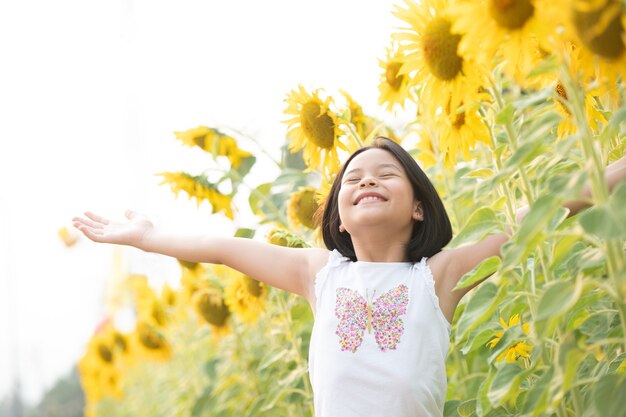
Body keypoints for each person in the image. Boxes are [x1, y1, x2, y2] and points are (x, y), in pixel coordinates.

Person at [73, 136, 626, 417]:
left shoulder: (439, 277)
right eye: (353, 178)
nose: (367, 181)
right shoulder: (320, 274)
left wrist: (617, 172)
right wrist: (146, 237)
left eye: (387, 174)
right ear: (337, 216)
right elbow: (222, 248)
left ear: (418, 207)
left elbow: (532, 216)